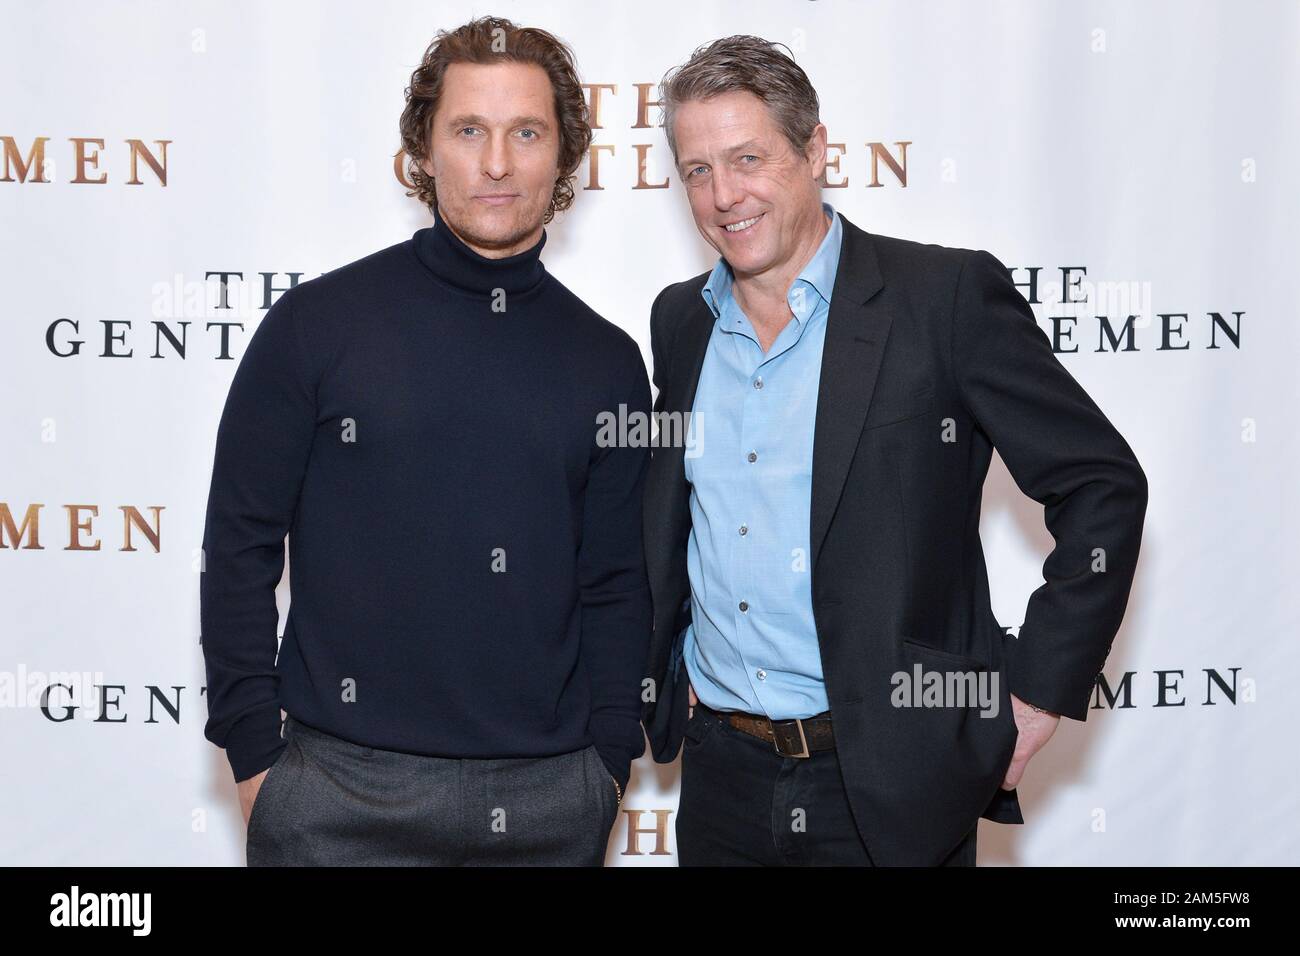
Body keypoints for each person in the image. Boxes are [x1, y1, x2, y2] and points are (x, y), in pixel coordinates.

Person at [640, 35, 1148, 866]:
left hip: (886, 783)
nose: (723, 194)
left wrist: (1038, 690)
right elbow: (676, 516)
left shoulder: (940, 299)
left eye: (748, 158)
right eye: (697, 169)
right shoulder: (682, 320)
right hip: (721, 776)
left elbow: (1102, 484)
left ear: (815, 151)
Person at [200, 16, 650, 865]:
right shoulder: (317, 326)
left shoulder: (608, 362)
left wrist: (608, 763)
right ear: (423, 149)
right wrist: (258, 755)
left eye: (527, 132)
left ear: (563, 157)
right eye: (468, 130)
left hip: (551, 801)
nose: (495, 162)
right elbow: (239, 545)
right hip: (333, 796)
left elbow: (617, 582)